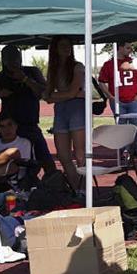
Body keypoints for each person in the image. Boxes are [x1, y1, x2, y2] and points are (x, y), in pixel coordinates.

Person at [0, 45, 53, 174]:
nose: (13, 62)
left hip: (30, 125)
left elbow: (44, 93)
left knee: (45, 161)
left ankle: (50, 185)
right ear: (3, 60)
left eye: (16, 58)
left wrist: (25, 79)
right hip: (9, 126)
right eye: (9, 59)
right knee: (1, 161)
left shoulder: (32, 72)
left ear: (20, 58)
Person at [44, 36, 87, 190]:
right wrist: (56, 95)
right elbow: (47, 95)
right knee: (63, 155)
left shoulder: (77, 67)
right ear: (55, 49)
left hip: (77, 108)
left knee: (80, 154)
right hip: (61, 110)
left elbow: (72, 92)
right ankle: (77, 187)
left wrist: (55, 96)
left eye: (68, 45)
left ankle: (84, 189)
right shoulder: (53, 69)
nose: (66, 48)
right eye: (62, 45)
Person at [98, 44, 137, 154]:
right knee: (121, 126)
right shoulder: (109, 64)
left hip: (133, 100)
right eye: (127, 48)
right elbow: (101, 81)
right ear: (119, 48)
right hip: (118, 101)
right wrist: (110, 96)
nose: (130, 51)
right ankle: (122, 149)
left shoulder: (133, 63)